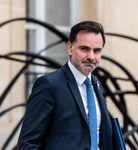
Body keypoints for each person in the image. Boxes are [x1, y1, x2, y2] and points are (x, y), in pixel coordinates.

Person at [17, 21, 113, 150]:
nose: (91, 56)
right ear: (69, 47)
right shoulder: (49, 85)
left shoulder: (96, 84)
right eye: (84, 49)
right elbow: (28, 143)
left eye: (97, 50)